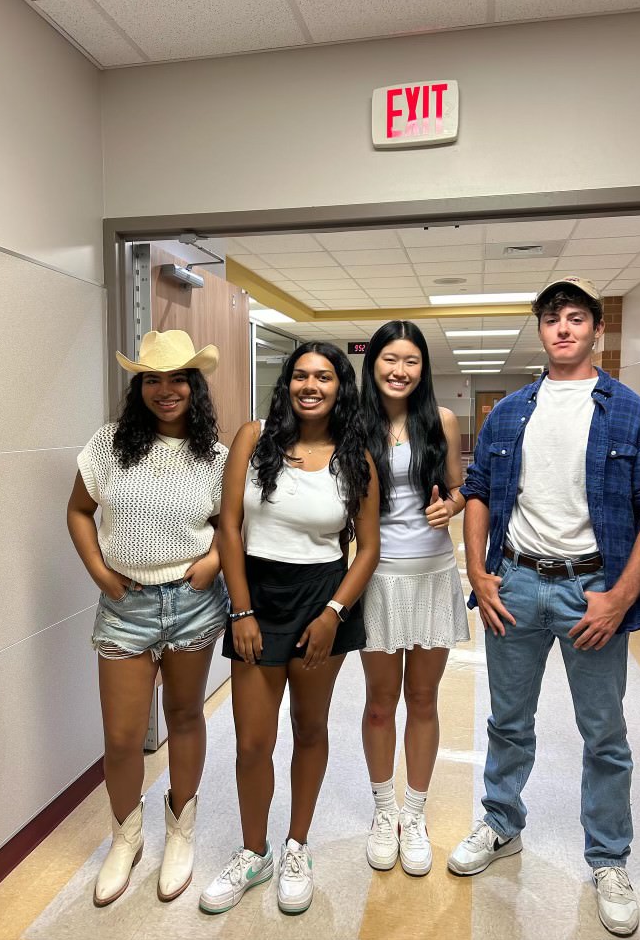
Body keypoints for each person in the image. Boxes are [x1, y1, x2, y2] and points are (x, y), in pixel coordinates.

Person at [447, 277, 640, 936]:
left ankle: (608, 858)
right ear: (541, 331)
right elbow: (479, 490)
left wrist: (622, 596)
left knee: (604, 734)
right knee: (508, 719)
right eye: (553, 319)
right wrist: (479, 572)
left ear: (595, 331)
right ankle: (500, 825)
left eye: (577, 319)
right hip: (514, 583)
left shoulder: (629, 411)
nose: (565, 329)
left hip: (590, 591)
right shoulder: (510, 411)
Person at [199, 341, 380, 916]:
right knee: (253, 740)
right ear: (287, 384)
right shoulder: (252, 440)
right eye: (300, 375)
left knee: (309, 726)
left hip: (321, 599)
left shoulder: (358, 457)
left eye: (323, 377)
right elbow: (229, 529)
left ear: (339, 387)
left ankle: (297, 845)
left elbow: (368, 550)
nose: (310, 385)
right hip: (257, 596)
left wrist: (333, 614)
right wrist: (242, 610)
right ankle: (255, 852)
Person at [66, 329, 229, 906]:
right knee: (122, 736)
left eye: (178, 378)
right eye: (153, 379)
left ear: (194, 385)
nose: (166, 390)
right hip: (125, 606)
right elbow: (80, 512)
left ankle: (180, 832)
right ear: (139, 387)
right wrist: (100, 573)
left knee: (185, 718)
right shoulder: (108, 445)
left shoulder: (216, 456)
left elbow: (234, 528)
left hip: (192, 603)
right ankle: (125, 837)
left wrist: (212, 561)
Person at [358, 321, 470, 876]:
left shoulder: (441, 421)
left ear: (423, 368)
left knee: (422, 700)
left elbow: (458, 489)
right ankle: (384, 812)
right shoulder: (352, 425)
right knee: (381, 703)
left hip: (433, 575)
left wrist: (451, 507)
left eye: (412, 361)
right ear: (373, 363)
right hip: (376, 579)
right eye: (390, 359)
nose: (400, 370)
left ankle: (415, 814)